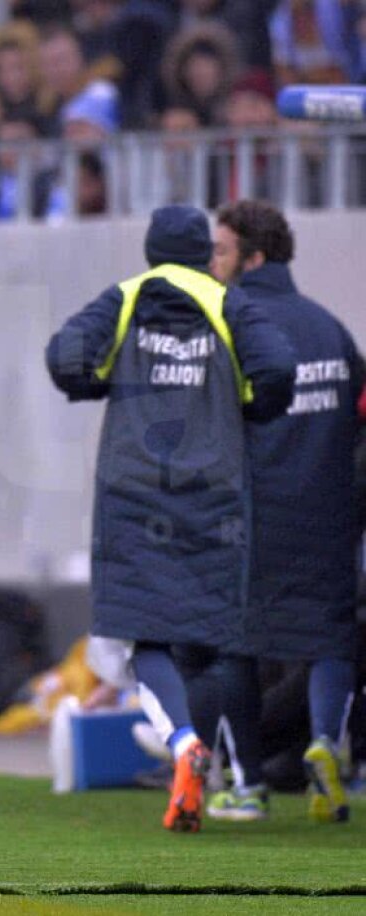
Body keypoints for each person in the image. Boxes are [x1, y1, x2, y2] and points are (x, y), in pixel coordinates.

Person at [45, 204, 296, 832]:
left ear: (152, 249)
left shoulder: (127, 297)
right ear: (207, 253)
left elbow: (65, 357)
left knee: (142, 638)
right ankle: (208, 763)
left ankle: (184, 744)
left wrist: (103, 380)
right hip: (214, 496)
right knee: (209, 645)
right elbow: (277, 371)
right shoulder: (226, 302)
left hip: (133, 496)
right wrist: (244, 400)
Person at [194, 201, 364, 822]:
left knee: (234, 647)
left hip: (250, 520)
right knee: (331, 641)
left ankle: (247, 786)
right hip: (329, 515)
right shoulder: (332, 330)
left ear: (253, 257)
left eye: (221, 249)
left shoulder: (229, 328)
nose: (213, 261)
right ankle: (326, 749)